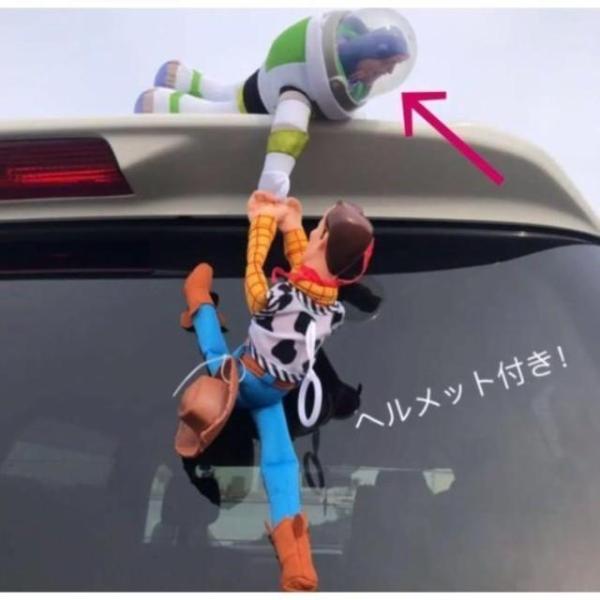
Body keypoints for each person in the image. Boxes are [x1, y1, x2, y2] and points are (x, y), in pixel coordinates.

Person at [174, 190, 374, 591]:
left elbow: (255, 275)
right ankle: (297, 564)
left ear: (322, 241)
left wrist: (262, 222)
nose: (311, 233)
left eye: (316, 230)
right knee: (281, 463)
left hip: (245, 381)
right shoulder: (332, 309)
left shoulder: (279, 297)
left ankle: (198, 300)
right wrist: (292, 225)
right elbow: (308, 268)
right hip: (277, 394)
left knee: (215, 352)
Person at [135, 9, 416, 198]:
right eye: (387, 63)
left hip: (261, 83)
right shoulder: (300, 89)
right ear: (371, 50)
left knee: (224, 92)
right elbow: (289, 129)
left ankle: (184, 79)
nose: (389, 71)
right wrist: (272, 184)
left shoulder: (353, 78)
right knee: (221, 108)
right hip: (258, 97)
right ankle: (161, 103)